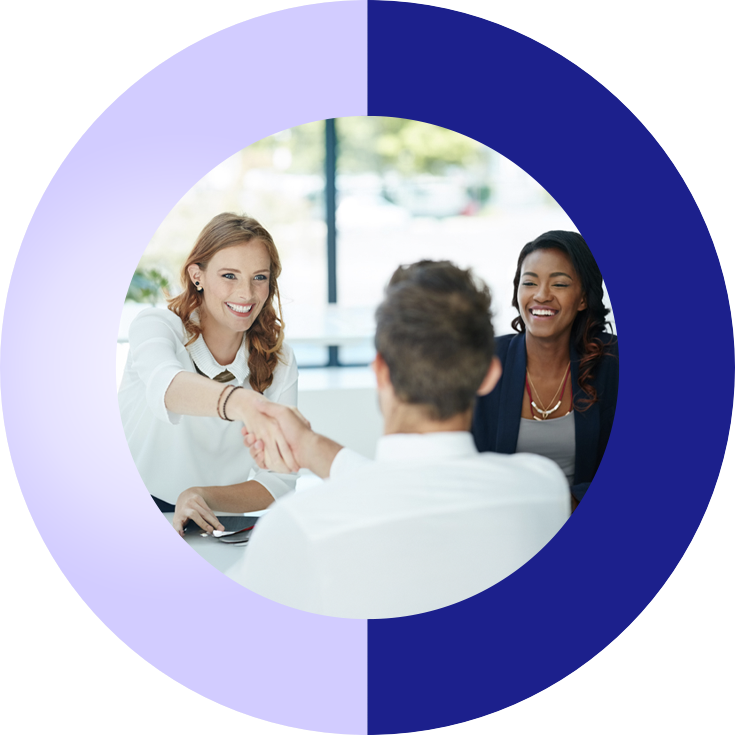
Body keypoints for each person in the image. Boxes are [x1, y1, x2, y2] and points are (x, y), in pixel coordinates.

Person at [237, 261, 570, 619]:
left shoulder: (296, 527)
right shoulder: (544, 487)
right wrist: (308, 446)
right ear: (489, 375)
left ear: (380, 371)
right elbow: (413, 490)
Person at [118, 213, 299, 536]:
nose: (246, 293)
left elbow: (280, 479)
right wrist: (243, 403)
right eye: (229, 275)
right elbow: (168, 387)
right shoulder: (156, 327)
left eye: (259, 277)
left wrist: (203, 496)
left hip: (211, 523)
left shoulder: (278, 358)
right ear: (197, 276)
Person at [472, 231, 618, 507]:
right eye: (529, 283)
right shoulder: (483, 361)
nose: (541, 295)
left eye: (559, 284)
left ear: (583, 298)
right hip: (500, 519)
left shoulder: (615, 362)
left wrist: (567, 502)